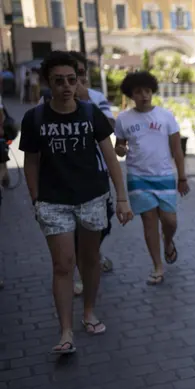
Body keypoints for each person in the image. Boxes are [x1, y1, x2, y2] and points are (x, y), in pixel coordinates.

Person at [20, 51, 133, 354]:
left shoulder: (90, 112)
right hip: (53, 201)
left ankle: (89, 311)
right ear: (49, 83)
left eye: (72, 80)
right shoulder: (35, 118)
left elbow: (110, 157)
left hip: (92, 198)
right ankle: (65, 331)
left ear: (79, 80)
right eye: (59, 81)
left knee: (91, 260)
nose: (67, 86)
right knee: (63, 264)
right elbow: (30, 161)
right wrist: (35, 199)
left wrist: (122, 198)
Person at [38, 51, 117, 296]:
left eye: (79, 76)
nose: (75, 83)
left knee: (103, 225)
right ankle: (80, 271)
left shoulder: (95, 98)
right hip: (62, 179)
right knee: (68, 232)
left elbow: (110, 128)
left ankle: (91, 257)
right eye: (71, 77)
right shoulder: (46, 103)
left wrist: (87, 102)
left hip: (96, 173)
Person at [114, 71, 189, 285]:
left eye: (147, 91)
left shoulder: (166, 116)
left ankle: (169, 241)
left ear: (152, 91)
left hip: (164, 175)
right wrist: (120, 148)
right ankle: (157, 266)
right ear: (131, 94)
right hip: (138, 177)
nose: (144, 95)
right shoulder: (124, 119)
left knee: (170, 221)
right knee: (149, 222)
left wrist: (182, 177)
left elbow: (177, 149)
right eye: (138, 92)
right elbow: (118, 148)